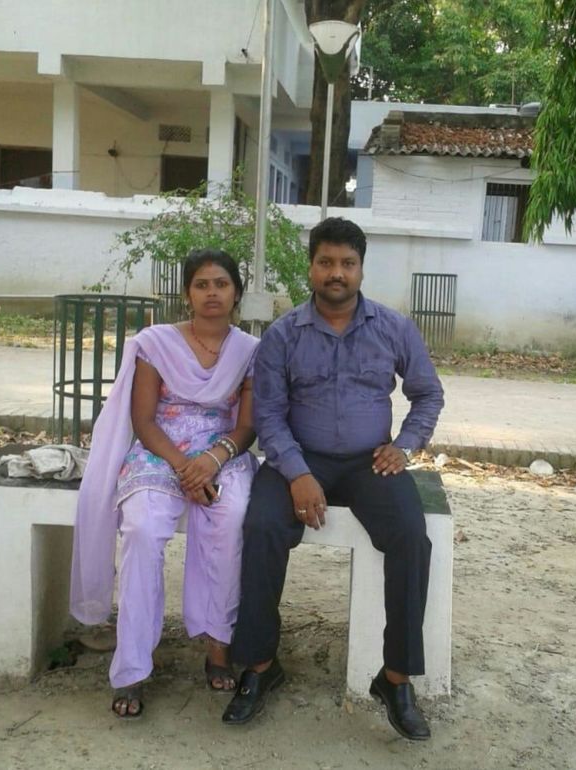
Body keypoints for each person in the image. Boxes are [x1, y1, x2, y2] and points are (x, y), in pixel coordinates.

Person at [222, 217, 444, 740]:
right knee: (262, 527)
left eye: (347, 263)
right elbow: (269, 415)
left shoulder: (393, 327)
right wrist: (298, 473)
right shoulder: (282, 335)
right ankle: (259, 666)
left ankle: (396, 678)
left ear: (361, 269)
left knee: (412, 536)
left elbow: (428, 393)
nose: (336, 273)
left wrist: (405, 445)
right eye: (326, 262)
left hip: (371, 463)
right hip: (299, 458)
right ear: (311, 268)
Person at [70, 248, 259, 718]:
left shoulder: (250, 351)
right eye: (201, 284)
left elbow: (247, 426)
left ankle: (217, 643)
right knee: (142, 528)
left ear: (237, 292)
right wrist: (183, 467)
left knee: (231, 518)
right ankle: (132, 667)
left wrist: (212, 460)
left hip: (222, 454)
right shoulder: (155, 343)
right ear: (186, 294)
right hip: (161, 451)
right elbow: (144, 420)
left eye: (221, 284)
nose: (211, 293)